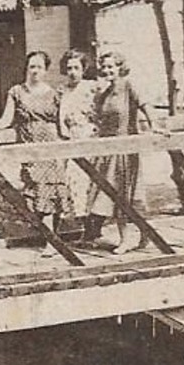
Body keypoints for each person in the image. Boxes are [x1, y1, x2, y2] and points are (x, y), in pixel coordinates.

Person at [0, 50, 70, 254]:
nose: (35, 71)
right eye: (32, 66)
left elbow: (62, 124)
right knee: (36, 189)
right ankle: (49, 238)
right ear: (27, 68)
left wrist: (66, 147)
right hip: (29, 146)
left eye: (39, 67)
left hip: (50, 146)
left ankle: (51, 242)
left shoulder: (55, 94)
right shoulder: (17, 91)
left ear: (45, 70)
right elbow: (6, 121)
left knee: (51, 190)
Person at [89, 50, 152, 254]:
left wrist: (155, 125)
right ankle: (133, 237)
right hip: (109, 151)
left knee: (126, 194)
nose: (108, 70)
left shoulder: (128, 86)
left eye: (111, 67)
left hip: (126, 151)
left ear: (120, 68)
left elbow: (145, 106)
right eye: (105, 67)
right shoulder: (104, 94)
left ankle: (135, 238)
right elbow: (99, 119)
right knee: (112, 195)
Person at [56, 49, 104, 241]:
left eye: (76, 68)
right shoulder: (62, 91)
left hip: (91, 138)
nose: (73, 72)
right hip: (71, 139)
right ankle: (85, 230)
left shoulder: (92, 87)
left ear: (84, 69)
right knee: (75, 183)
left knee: (93, 183)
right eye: (69, 68)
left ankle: (94, 230)